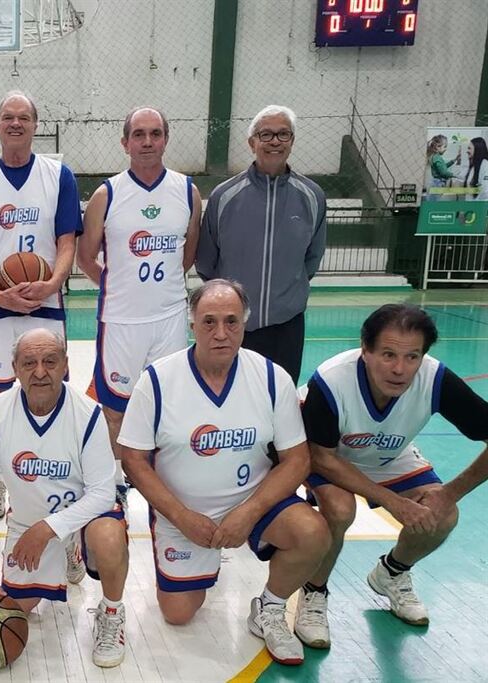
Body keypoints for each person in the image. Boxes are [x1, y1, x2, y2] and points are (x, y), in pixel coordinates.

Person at [118, 279, 330, 666]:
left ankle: (269, 607)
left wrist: (247, 514)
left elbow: (298, 461)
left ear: (245, 324)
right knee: (178, 614)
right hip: (182, 510)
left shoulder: (271, 378)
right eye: (209, 322)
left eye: (232, 322)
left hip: (253, 502)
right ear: (192, 325)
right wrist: (181, 517)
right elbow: (133, 458)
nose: (221, 333)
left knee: (313, 532)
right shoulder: (158, 380)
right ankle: (199, 564)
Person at [296, 304, 488, 647]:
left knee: (443, 516)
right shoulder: (331, 380)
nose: (400, 369)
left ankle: (392, 572)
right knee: (340, 510)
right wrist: (391, 502)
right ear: (365, 349)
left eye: (412, 357)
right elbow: (320, 458)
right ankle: (313, 593)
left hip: (389, 457)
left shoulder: (435, 379)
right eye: (388, 354)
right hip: (331, 456)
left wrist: (449, 493)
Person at [0, 328, 129, 668]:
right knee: (15, 612)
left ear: (65, 365)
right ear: (15, 368)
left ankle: (111, 611)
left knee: (108, 537)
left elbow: (102, 493)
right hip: (27, 520)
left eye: (50, 361)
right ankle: (68, 551)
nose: (40, 371)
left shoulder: (88, 414)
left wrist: (49, 529)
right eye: (29, 362)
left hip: (84, 516)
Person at [0, 90, 83, 519]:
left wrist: (52, 283)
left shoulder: (58, 176)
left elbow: (67, 243)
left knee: (48, 390)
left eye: (23, 117)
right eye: (7, 117)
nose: (15, 123)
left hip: (46, 302)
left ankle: (50, 480)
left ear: (34, 125)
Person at [77, 106, 201, 500]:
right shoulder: (107, 194)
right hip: (121, 321)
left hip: (168, 319)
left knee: (169, 405)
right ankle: (115, 482)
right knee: (115, 408)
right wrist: (116, 285)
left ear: (166, 138)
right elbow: (84, 257)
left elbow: (188, 253)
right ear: (125, 142)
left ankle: (164, 480)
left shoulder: (186, 191)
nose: (147, 142)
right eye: (139, 134)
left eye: (155, 134)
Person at [195, 105, 326, 384]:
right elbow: (207, 262)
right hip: (232, 326)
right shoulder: (225, 196)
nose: (275, 141)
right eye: (266, 134)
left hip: (286, 326)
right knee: (229, 397)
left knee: (279, 401)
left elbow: (312, 259)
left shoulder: (312, 196)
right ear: (251, 142)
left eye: (283, 134)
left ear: (292, 141)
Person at [424, 134, 462, 201]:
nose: (446, 149)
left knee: (432, 200)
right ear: (438, 147)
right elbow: (443, 172)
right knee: (433, 202)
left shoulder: (435, 156)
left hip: (436, 183)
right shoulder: (437, 158)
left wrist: (454, 160)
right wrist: (455, 175)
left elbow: (443, 167)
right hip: (437, 183)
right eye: (445, 147)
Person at [463, 136, 488, 201]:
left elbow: (485, 192)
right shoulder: (473, 166)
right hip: (470, 207)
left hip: (478, 207)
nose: (467, 151)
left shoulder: (485, 165)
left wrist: (476, 207)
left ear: (477, 149)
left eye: (469, 148)